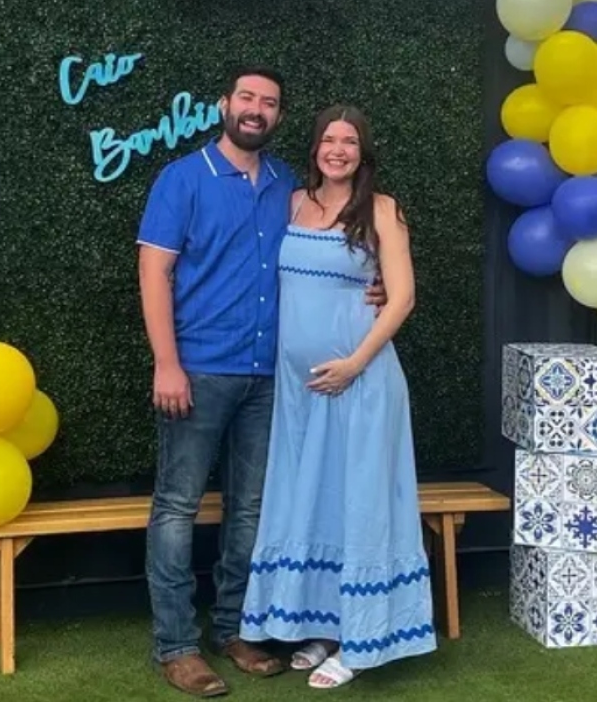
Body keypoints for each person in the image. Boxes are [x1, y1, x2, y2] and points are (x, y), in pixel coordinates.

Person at [136, 68, 386, 697]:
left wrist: (375, 284)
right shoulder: (182, 179)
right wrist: (167, 362)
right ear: (225, 105)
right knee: (177, 507)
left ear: (277, 117)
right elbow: (154, 273)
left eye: (268, 103)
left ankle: (233, 629)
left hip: (271, 376)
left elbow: (333, 252)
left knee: (250, 508)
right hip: (198, 368)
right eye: (246, 98)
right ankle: (176, 646)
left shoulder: (287, 188)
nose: (256, 109)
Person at [239, 104, 434, 689]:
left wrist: (353, 364)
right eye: (329, 139)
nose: (338, 150)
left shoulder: (382, 210)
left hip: (361, 383)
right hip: (300, 393)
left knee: (360, 502)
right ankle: (324, 625)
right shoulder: (292, 203)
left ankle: (361, 640)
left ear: (362, 152)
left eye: (349, 141)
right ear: (315, 148)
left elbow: (401, 298)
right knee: (314, 500)